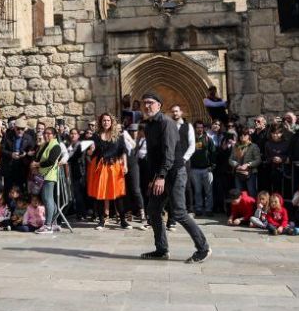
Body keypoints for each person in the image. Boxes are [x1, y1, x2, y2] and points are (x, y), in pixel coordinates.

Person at [139, 92, 210, 263]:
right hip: (161, 174)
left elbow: (169, 153)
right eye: (144, 103)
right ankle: (162, 249)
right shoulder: (148, 126)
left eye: (150, 102)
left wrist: (161, 176)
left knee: (179, 212)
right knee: (153, 211)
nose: (147, 106)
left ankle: (203, 248)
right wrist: (153, 177)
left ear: (159, 105)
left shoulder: (166, 123)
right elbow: (153, 155)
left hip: (175, 173)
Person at [87, 113, 128, 230]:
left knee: (118, 194)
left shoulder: (118, 135)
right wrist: (90, 152)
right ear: (101, 122)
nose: (106, 122)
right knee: (101, 193)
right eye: (104, 120)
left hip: (114, 166)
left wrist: (125, 165)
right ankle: (101, 220)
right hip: (101, 166)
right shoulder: (96, 136)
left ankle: (123, 221)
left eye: (108, 120)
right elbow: (92, 153)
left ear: (112, 122)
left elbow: (123, 150)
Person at [34, 127, 63, 235]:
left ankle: (48, 225)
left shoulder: (56, 146)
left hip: (49, 176)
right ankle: (54, 222)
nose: (46, 135)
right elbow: (39, 157)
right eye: (45, 133)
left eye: (49, 133)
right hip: (43, 175)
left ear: (54, 135)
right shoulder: (45, 144)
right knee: (49, 199)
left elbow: (50, 161)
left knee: (48, 199)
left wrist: (37, 164)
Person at [187, 121, 215, 216]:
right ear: (195, 128)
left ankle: (209, 209)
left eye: (201, 127)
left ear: (203, 128)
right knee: (197, 191)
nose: (199, 129)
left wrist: (212, 166)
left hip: (207, 169)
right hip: (194, 169)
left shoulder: (208, 139)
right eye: (198, 127)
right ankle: (198, 208)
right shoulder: (191, 139)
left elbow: (213, 153)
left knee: (209, 191)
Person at [227, 131, 260, 196]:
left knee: (252, 192)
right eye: (241, 135)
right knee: (239, 193)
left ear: (248, 136)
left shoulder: (253, 146)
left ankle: (253, 206)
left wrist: (248, 165)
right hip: (238, 172)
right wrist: (236, 165)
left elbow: (258, 160)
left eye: (245, 134)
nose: (242, 136)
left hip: (250, 172)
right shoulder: (236, 146)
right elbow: (230, 159)